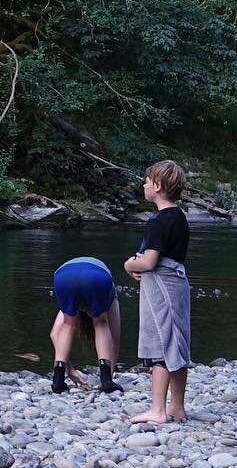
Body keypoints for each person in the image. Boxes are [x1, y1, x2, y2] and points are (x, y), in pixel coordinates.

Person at [124, 159, 191, 424]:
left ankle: (157, 410)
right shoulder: (180, 217)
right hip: (178, 283)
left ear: (159, 186)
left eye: (147, 180)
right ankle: (177, 407)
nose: (143, 184)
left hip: (161, 287)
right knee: (178, 342)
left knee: (160, 343)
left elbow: (150, 261)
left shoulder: (157, 221)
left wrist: (129, 263)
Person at [47, 257, 122, 394]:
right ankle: (106, 380)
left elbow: (54, 334)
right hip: (97, 276)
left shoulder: (72, 309)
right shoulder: (111, 294)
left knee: (68, 325)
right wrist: (110, 375)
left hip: (65, 276)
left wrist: (70, 370)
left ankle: (57, 380)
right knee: (101, 323)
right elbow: (115, 340)